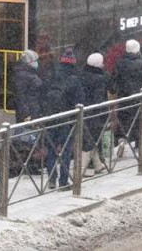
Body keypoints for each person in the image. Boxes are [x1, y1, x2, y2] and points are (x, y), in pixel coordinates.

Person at [42, 47, 84, 189]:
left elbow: (43, 94)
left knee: (51, 148)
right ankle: (63, 181)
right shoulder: (74, 79)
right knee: (66, 150)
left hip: (51, 117)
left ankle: (52, 179)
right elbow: (79, 100)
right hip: (66, 118)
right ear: (73, 62)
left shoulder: (51, 75)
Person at [110, 39, 142, 155]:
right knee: (138, 121)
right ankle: (139, 146)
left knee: (123, 121)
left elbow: (114, 79)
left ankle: (121, 141)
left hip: (124, 97)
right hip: (138, 98)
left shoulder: (120, 63)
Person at [80, 52, 110, 176]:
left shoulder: (81, 75)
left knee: (90, 138)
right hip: (95, 113)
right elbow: (99, 98)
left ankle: (97, 165)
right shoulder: (99, 79)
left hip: (83, 110)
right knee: (92, 139)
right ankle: (83, 168)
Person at [11, 50, 43, 123]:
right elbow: (20, 96)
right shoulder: (24, 76)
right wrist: (26, 114)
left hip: (32, 112)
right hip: (28, 115)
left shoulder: (26, 73)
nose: (37, 63)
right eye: (35, 61)